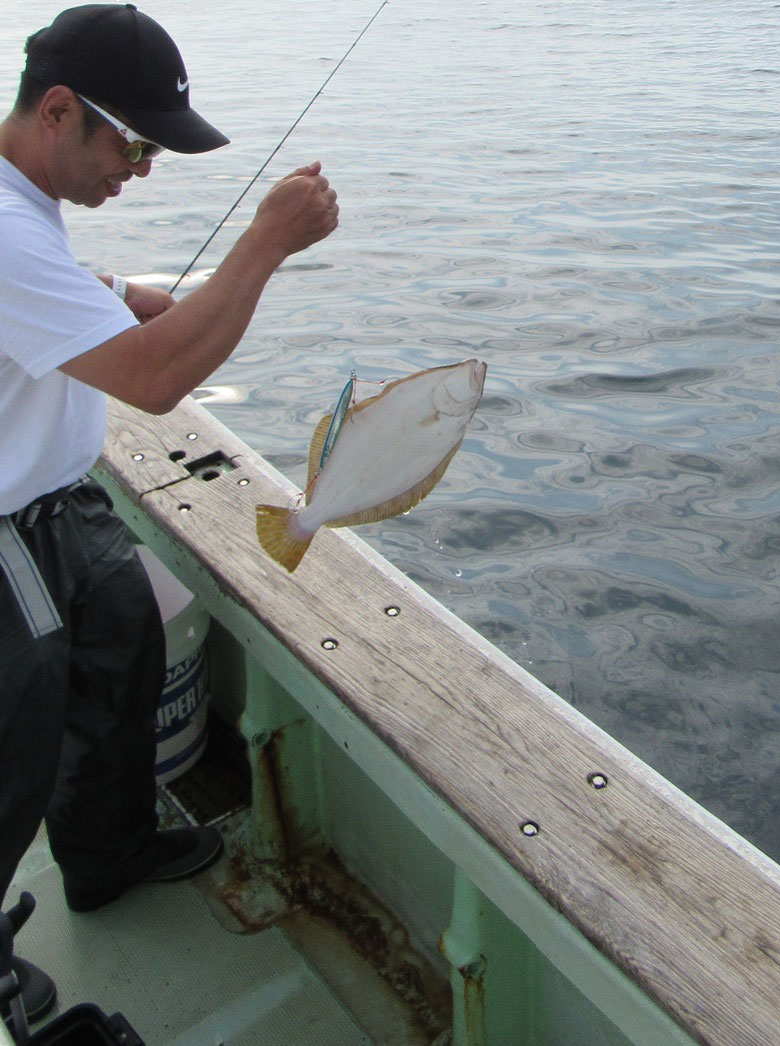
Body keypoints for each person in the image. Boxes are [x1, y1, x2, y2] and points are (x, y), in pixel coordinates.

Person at [0, 3, 339, 1025]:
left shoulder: (27, 208)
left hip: (59, 498)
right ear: (60, 111)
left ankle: (106, 852)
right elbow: (152, 382)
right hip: (7, 528)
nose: (141, 170)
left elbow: (58, 289)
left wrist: (125, 290)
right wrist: (265, 243)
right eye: (135, 143)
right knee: (18, 734)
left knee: (122, 625)